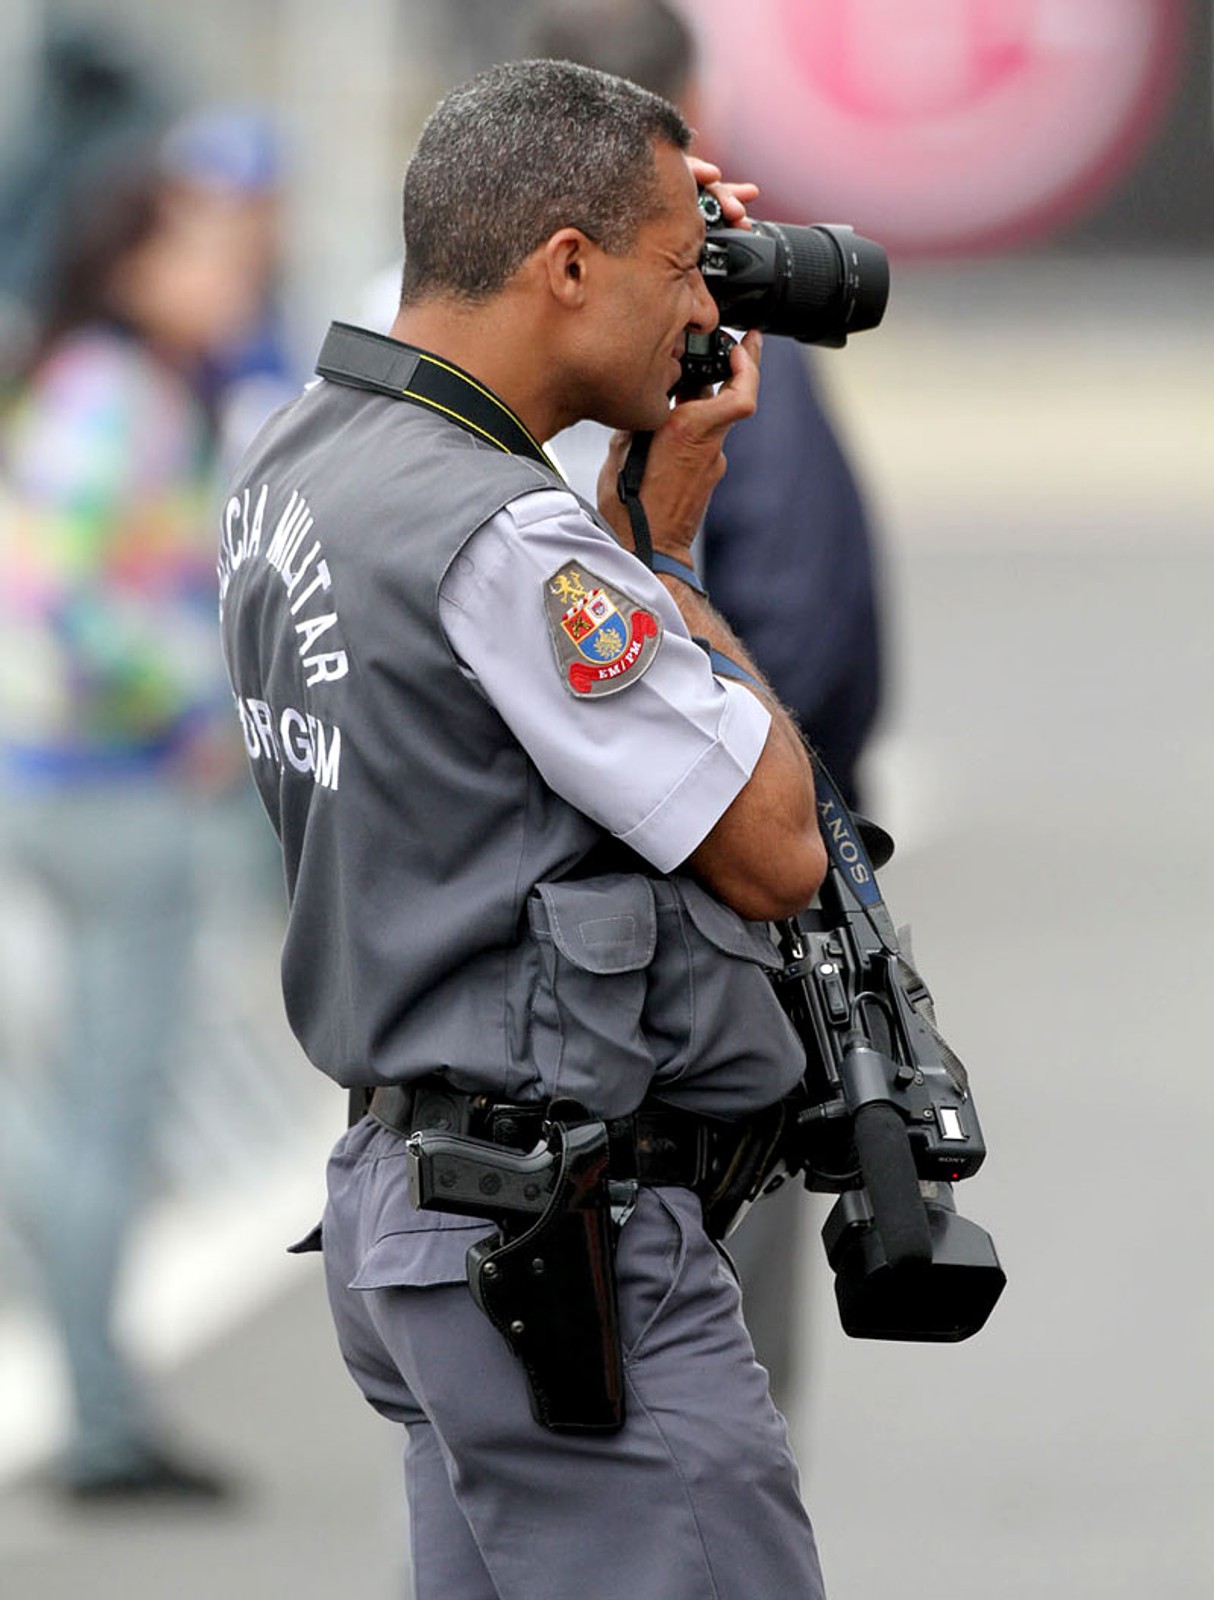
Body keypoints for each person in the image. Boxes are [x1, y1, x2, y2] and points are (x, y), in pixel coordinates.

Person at [221, 60, 829, 1599]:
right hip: (567, 1242)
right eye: (683, 272)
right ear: (567, 265)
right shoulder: (505, 536)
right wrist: (664, 552)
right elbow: (773, 847)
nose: (702, 317)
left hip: (417, 1206)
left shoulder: (303, 453)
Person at [524, 0, 884, 1401]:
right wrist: (667, 568)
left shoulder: (397, 322)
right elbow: (805, 625)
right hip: (683, 949)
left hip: (474, 998)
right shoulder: (687, 324)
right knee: (701, 1401)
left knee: (493, 1424)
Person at [0, 135, 268, 1501]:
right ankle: (100, 1420)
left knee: (84, 1107)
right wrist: (189, 712)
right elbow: (55, 597)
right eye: (200, 246)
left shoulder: (115, 386)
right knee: (105, 1110)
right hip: (110, 788)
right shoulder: (116, 397)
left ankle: (100, 1398)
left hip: (71, 785)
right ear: (127, 261)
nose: (235, 270)